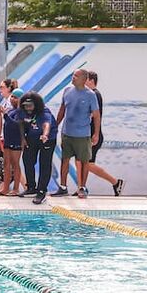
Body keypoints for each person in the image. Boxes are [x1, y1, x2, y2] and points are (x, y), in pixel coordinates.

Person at [53, 69, 100, 199]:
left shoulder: (90, 95)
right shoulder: (67, 91)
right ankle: (63, 187)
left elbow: (96, 115)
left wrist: (96, 134)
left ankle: (82, 187)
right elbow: (62, 109)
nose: (73, 77)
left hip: (83, 135)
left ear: (84, 79)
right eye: (73, 75)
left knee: (84, 161)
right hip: (67, 133)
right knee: (65, 160)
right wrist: (55, 125)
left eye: (76, 76)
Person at [84, 71, 124, 196]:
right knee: (83, 163)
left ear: (91, 80)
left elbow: (95, 115)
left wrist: (94, 134)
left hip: (93, 135)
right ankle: (82, 187)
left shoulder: (94, 94)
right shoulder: (93, 94)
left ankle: (115, 182)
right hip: (90, 134)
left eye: (85, 79)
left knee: (88, 164)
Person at [15, 91, 57, 205]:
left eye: (30, 106)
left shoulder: (44, 112)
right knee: (27, 160)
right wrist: (23, 138)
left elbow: (46, 124)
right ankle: (31, 187)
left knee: (44, 164)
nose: (28, 108)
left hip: (47, 138)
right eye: (26, 106)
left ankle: (41, 191)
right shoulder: (21, 111)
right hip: (31, 137)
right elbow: (20, 123)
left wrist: (45, 135)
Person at [0, 89, 25, 196]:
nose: (12, 99)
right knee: (6, 164)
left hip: (16, 140)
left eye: (15, 97)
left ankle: (16, 188)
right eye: (12, 97)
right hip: (7, 140)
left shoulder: (21, 112)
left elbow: (15, 125)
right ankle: (5, 188)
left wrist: (4, 114)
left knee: (15, 164)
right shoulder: (11, 111)